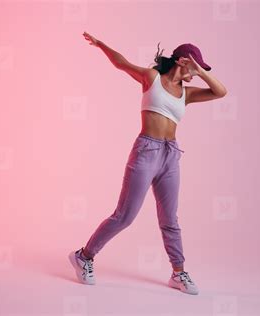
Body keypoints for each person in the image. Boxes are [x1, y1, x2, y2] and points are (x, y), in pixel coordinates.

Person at [69, 31, 227, 295]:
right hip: (146, 150)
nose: (197, 72)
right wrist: (101, 45)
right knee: (125, 216)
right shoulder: (152, 78)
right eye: (195, 65)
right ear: (182, 61)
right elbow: (122, 63)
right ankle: (84, 256)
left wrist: (200, 71)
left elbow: (220, 92)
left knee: (170, 219)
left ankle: (178, 273)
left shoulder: (185, 93)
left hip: (171, 155)